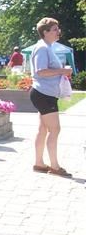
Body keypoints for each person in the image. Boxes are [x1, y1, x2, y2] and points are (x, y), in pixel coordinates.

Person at [30, 17, 72, 178]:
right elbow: (41, 71)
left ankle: (39, 163)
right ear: (45, 32)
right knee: (55, 129)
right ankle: (54, 166)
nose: (58, 31)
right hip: (44, 94)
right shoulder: (43, 48)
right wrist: (63, 71)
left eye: (57, 28)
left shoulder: (46, 47)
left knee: (43, 129)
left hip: (44, 94)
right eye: (54, 29)